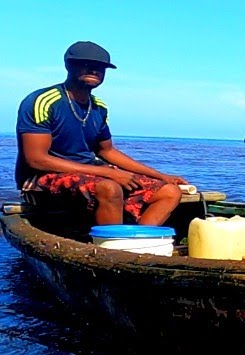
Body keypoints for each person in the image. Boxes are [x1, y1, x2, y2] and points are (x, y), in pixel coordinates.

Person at [15, 41, 187, 226]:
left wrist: (160, 175)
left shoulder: (98, 107)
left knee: (170, 192)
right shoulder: (44, 101)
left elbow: (107, 151)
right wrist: (107, 173)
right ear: (69, 65)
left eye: (100, 68)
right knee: (110, 188)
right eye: (87, 65)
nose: (95, 71)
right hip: (40, 179)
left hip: (91, 171)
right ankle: (110, 250)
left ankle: (135, 242)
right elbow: (36, 159)